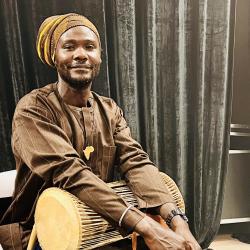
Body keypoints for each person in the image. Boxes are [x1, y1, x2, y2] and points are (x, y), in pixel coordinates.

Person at [0, 13, 201, 250]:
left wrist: (177, 220)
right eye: (69, 47)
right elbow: (70, 172)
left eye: (89, 47)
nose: (80, 54)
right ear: (55, 56)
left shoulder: (109, 109)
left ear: (99, 56)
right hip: (38, 231)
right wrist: (148, 227)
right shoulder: (33, 109)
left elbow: (135, 162)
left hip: (102, 223)